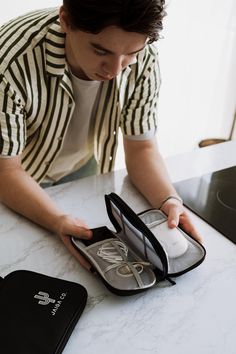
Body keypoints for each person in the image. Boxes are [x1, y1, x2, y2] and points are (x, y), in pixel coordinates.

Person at [0, 0, 202, 270]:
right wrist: (56, 219)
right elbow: (5, 170)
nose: (116, 70)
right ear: (66, 20)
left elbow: (141, 149)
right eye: (100, 50)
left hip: (80, 164)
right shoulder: (10, 64)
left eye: (131, 53)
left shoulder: (144, 59)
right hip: (13, 176)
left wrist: (169, 200)